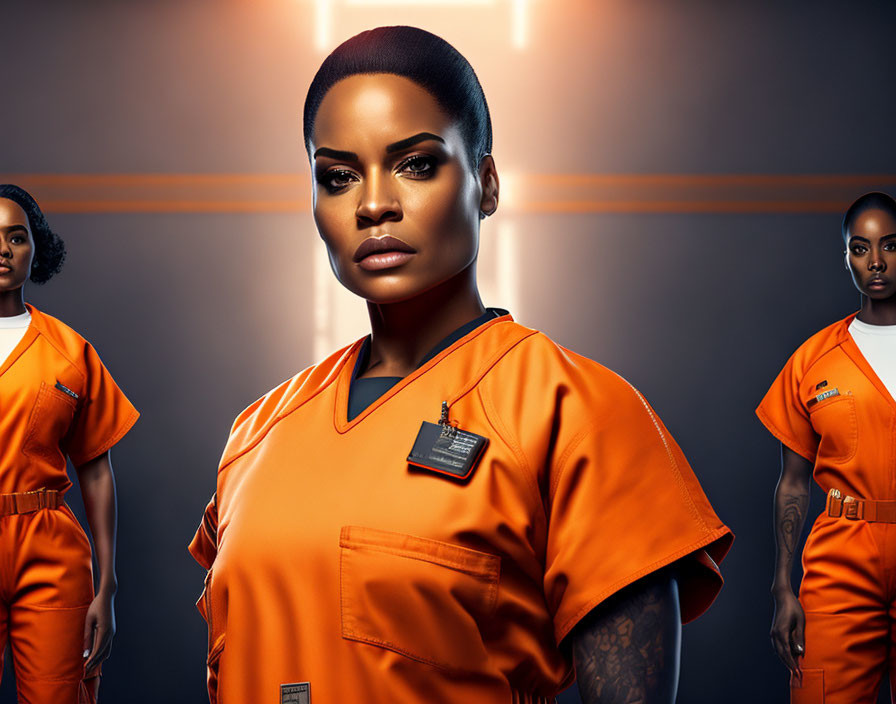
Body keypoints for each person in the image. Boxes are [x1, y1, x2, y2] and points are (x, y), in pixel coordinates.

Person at [189, 26, 732, 704]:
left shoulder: (577, 414)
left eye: (415, 164)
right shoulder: (256, 434)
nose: (374, 203)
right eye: (338, 176)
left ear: (487, 182)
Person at [0, 184, 139, 703]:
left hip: (51, 549)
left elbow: (97, 470)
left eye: (18, 236)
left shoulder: (69, 351)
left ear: (37, 248)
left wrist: (107, 585)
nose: (4, 249)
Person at [758, 191, 896, 703]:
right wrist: (783, 588)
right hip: (841, 559)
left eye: (890, 245)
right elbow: (792, 484)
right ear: (846, 257)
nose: (876, 262)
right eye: (860, 248)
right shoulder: (814, 360)